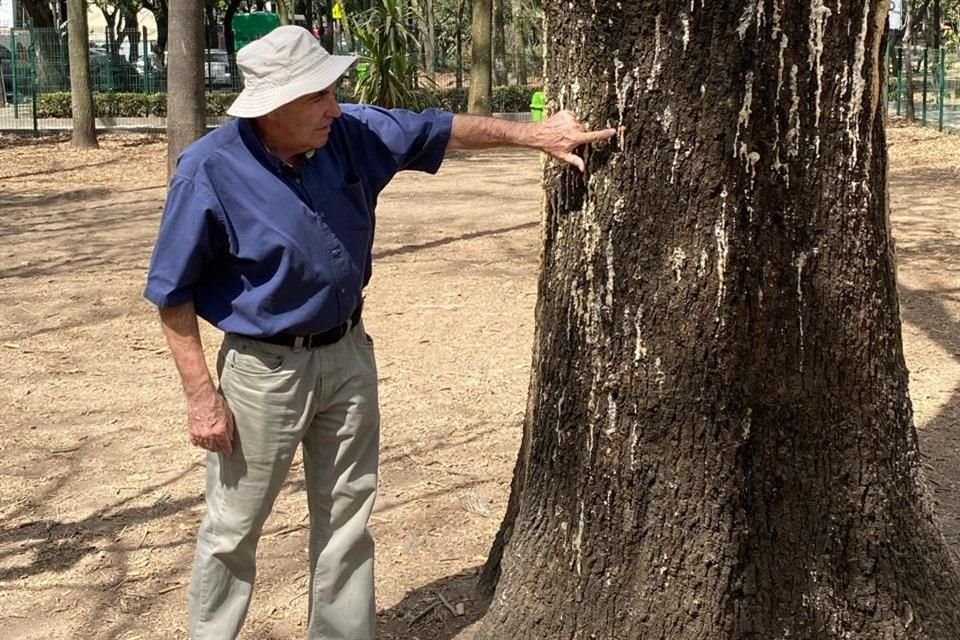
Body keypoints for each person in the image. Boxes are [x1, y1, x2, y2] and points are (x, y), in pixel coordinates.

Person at [144, 25, 614, 640]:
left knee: (347, 518)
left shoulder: (349, 133)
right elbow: (172, 294)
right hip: (262, 374)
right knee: (233, 528)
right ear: (271, 106)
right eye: (318, 97)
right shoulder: (209, 169)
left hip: (347, 357)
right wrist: (202, 396)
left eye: (333, 92)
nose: (334, 108)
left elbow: (440, 128)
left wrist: (535, 134)